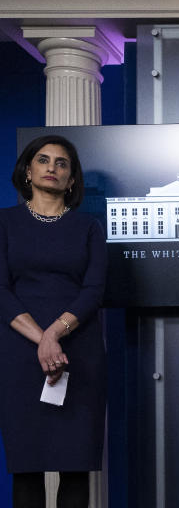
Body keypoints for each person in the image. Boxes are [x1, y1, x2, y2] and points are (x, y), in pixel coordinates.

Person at [0, 135, 107, 508]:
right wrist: (42, 340)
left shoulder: (88, 227)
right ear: (28, 171)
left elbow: (94, 289)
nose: (52, 168)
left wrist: (54, 334)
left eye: (62, 163)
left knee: (74, 465)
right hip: (18, 352)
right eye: (43, 160)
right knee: (27, 466)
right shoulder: (5, 223)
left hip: (79, 349)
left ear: (72, 179)